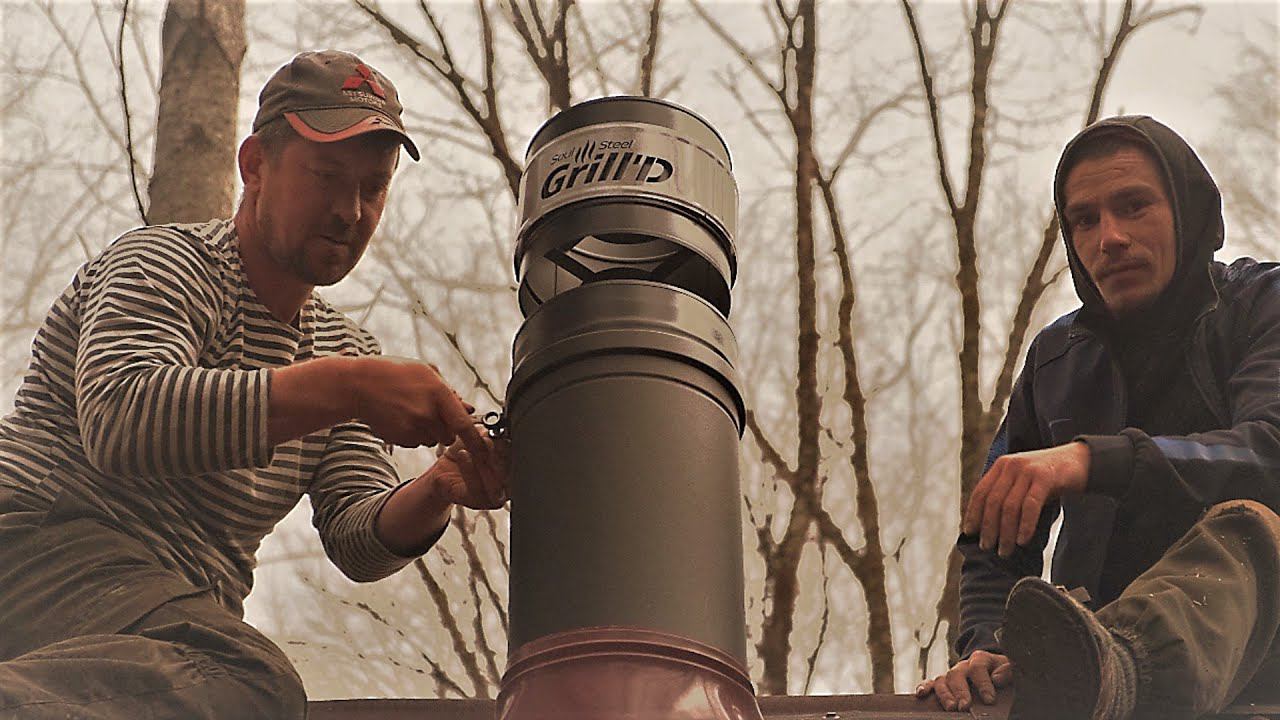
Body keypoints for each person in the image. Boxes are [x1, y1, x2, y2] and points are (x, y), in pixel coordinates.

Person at [0, 50, 509, 718]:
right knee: (248, 678)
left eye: (373, 187)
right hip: (38, 540)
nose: (349, 210)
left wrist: (439, 488)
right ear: (254, 166)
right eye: (327, 176)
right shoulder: (165, 263)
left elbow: (356, 535)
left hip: (157, 635)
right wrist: (349, 389)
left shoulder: (345, 349)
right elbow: (122, 418)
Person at [916, 115, 1280, 720]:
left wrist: (1091, 459)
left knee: (1252, 522)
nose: (1109, 238)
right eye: (1084, 220)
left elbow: (1270, 452)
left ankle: (1127, 667)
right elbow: (994, 540)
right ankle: (1099, 666)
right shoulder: (1057, 361)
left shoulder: (1259, 305)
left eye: (1134, 206)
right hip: (1085, 681)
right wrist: (984, 645)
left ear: (1188, 211)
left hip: (1262, 657)